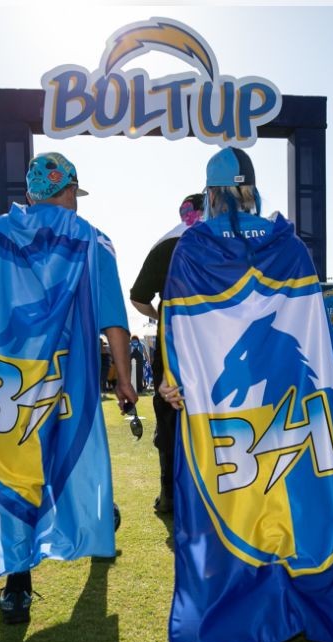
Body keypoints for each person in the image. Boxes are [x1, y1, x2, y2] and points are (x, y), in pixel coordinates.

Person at [156, 148, 333, 642]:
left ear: (210, 191)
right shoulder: (289, 247)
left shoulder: (192, 248)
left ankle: (249, 608)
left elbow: (177, 328)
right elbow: (313, 333)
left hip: (227, 419)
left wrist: (170, 380)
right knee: (300, 499)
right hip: (298, 406)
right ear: (252, 188)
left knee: (239, 501)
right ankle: (305, 601)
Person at [0, 151, 137, 626]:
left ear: (29, 194)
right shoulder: (92, 240)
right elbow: (113, 320)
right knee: (76, 455)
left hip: (4, 380)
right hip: (66, 380)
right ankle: (94, 525)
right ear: (68, 192)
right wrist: (124, 380)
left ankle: (18, 587)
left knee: (14, 469)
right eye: (74, 194)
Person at [129, 193, 204, 514]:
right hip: (216, 341)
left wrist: (163, 319)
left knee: (169, 412)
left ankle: (169, 494)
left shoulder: (166, 243)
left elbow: (138, 297)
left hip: (173, 342)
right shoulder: (225, 237)